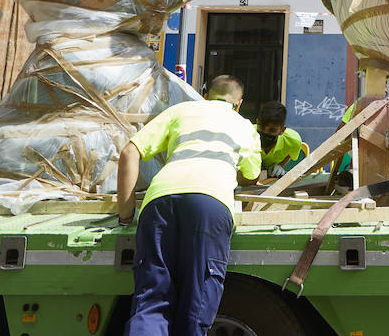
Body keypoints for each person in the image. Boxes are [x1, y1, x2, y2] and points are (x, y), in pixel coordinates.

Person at [116, 75, 261, 336]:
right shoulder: (244, 125)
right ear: (238, 103)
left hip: (159, 200)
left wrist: (126, 215)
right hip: (211, 203)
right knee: (197, 299)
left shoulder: (179, 111)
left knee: (151, 301)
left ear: (205, 95)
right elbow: (251, 176)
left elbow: (129, 152)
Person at [255, 101, 305, 178]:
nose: (265, 133)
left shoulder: (293, 141)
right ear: (257, 122)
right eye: (261, 127)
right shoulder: (245, 134)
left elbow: (290, 155)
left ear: (282, 130)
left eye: (272, 130)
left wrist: (280, 166)